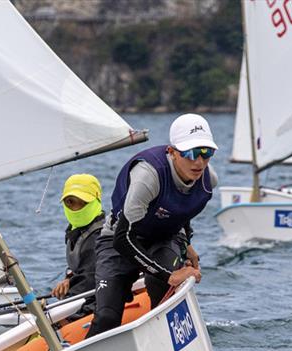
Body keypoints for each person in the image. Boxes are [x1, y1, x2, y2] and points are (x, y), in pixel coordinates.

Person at [85, 113, 219, 338]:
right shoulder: (148, 177)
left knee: (162, 290)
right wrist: (169, 275)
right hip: (122, 240)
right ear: (172, 152)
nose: (199, 162)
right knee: (107, 316)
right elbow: (122, 238)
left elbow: (182, 209)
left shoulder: (208, 181)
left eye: (207, 153)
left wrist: (186, 244)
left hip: (163, 238)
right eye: (191, 153)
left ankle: (165, 345)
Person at [50, 174, 105, 319]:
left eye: (82, 202)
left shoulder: (98, 236)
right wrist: (69, 279)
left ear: (96, 200)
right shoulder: (75, 232)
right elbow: (82, 271)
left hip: (99, 302)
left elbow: (90, 279)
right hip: (85, 296)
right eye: (70, 202)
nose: (75, 208)